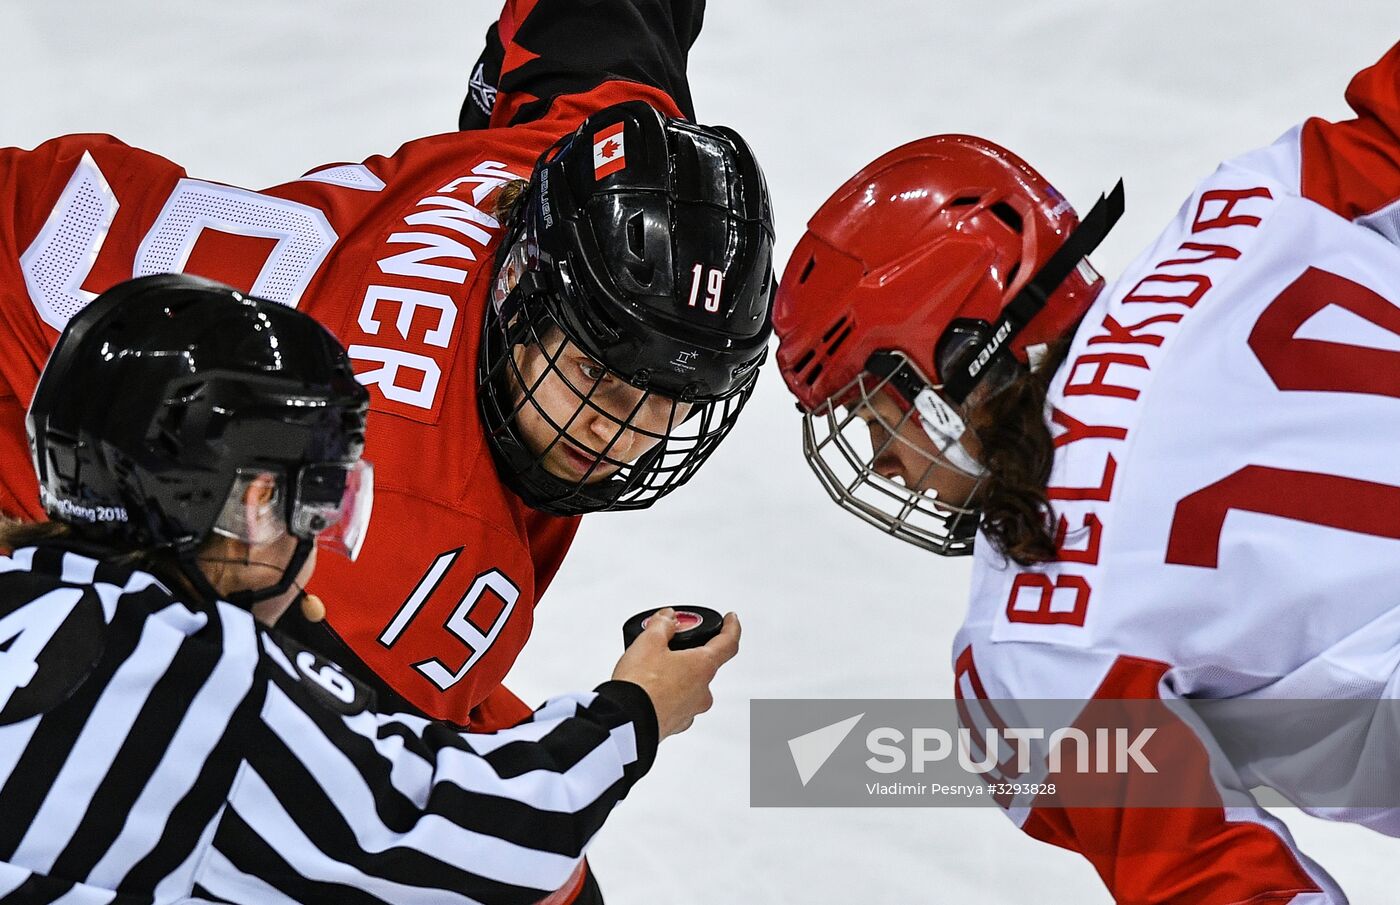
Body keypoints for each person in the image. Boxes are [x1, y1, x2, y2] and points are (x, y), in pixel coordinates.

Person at [0, 0, 771, 733]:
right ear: (521, 293)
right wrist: (627, 717)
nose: (621, 430)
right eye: (599, 372)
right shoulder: (405, 530)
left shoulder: (569, 174)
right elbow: (365, 811)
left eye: (672, 392)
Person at [772, 41, 1400, 904]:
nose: (884, 461)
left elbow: (1221, 883)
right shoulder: (1250, 201)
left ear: (962, 357)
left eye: (878, 417)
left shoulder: (1030, 643)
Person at [0, 272, 739, 904]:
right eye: (320, 498)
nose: (321, 534)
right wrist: (637, 706)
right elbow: (501, 840)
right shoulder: (213, 687)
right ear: (255, 509)